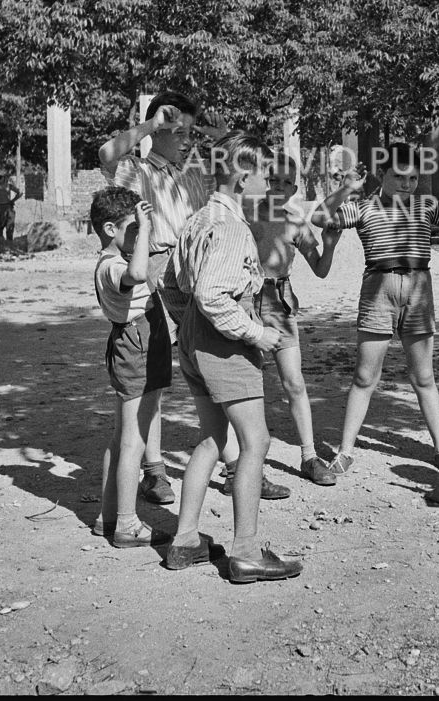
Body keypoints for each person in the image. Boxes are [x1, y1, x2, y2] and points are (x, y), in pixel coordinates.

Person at [97, 92, 289, 505]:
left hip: (191, 270)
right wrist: (151, 125)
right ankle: (154, 470)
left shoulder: (195, 172)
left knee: (210, 359)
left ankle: (240, 464)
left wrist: (204, 128)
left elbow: (233, 159)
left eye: (189, 132)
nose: (185, 140)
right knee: (153, 372)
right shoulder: (136, 170)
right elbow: (107, 153)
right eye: (176, 132)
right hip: (152, 267)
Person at [163, 131, 302, 582]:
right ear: (243, 176)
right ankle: (245, 551)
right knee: (255, 442)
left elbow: (171, 280)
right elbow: (212, 293)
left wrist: (190, 328)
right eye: (265, 172)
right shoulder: (231, 228)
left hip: (194, 337)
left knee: (212, 439)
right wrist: (254, 333)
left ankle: (184, 539)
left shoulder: (197, 219)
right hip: (225, 341)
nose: (269, 181)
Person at [315, 142, 439, 477]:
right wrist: (346, 187)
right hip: (377, 291)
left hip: (419, 289)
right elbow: (320, 217)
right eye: (399, 176)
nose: (407, 184)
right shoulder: (364, 207)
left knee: (424, 376)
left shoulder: (426, 205)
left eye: (413, 178)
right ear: (382, 175)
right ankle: (345, 452)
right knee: (364, 376)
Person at [246, 152, 346, 487]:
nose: (279, 187)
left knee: (295, 381)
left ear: (295, 186)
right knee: (247, 384)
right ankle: (245, 464)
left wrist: (330, 244)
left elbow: (320, 268)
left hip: (280, 302)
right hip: (247, 302)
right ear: (265, 179)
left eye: (287, 182)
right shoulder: (246, 212)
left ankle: (308, 456)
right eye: (274, 180)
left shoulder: (297, 221)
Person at [90, 186, 171, 549]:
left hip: (143, 337)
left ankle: (108, 517)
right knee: (132, 440)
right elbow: (138, 273)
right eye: (133, 228)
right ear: (110, 229)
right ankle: (126, 523)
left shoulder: (118, 257)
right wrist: (145, 229)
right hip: (135, 342)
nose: (141, 235)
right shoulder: (112, 266)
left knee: (122, 435)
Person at [0, 171, 22, 242]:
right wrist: (13, 200)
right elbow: (20, 192)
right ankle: (7, 246)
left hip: (1, 210)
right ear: (3, 178)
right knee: (6, 232)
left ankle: (4, 246)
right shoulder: (8, 186)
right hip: (6, 210)